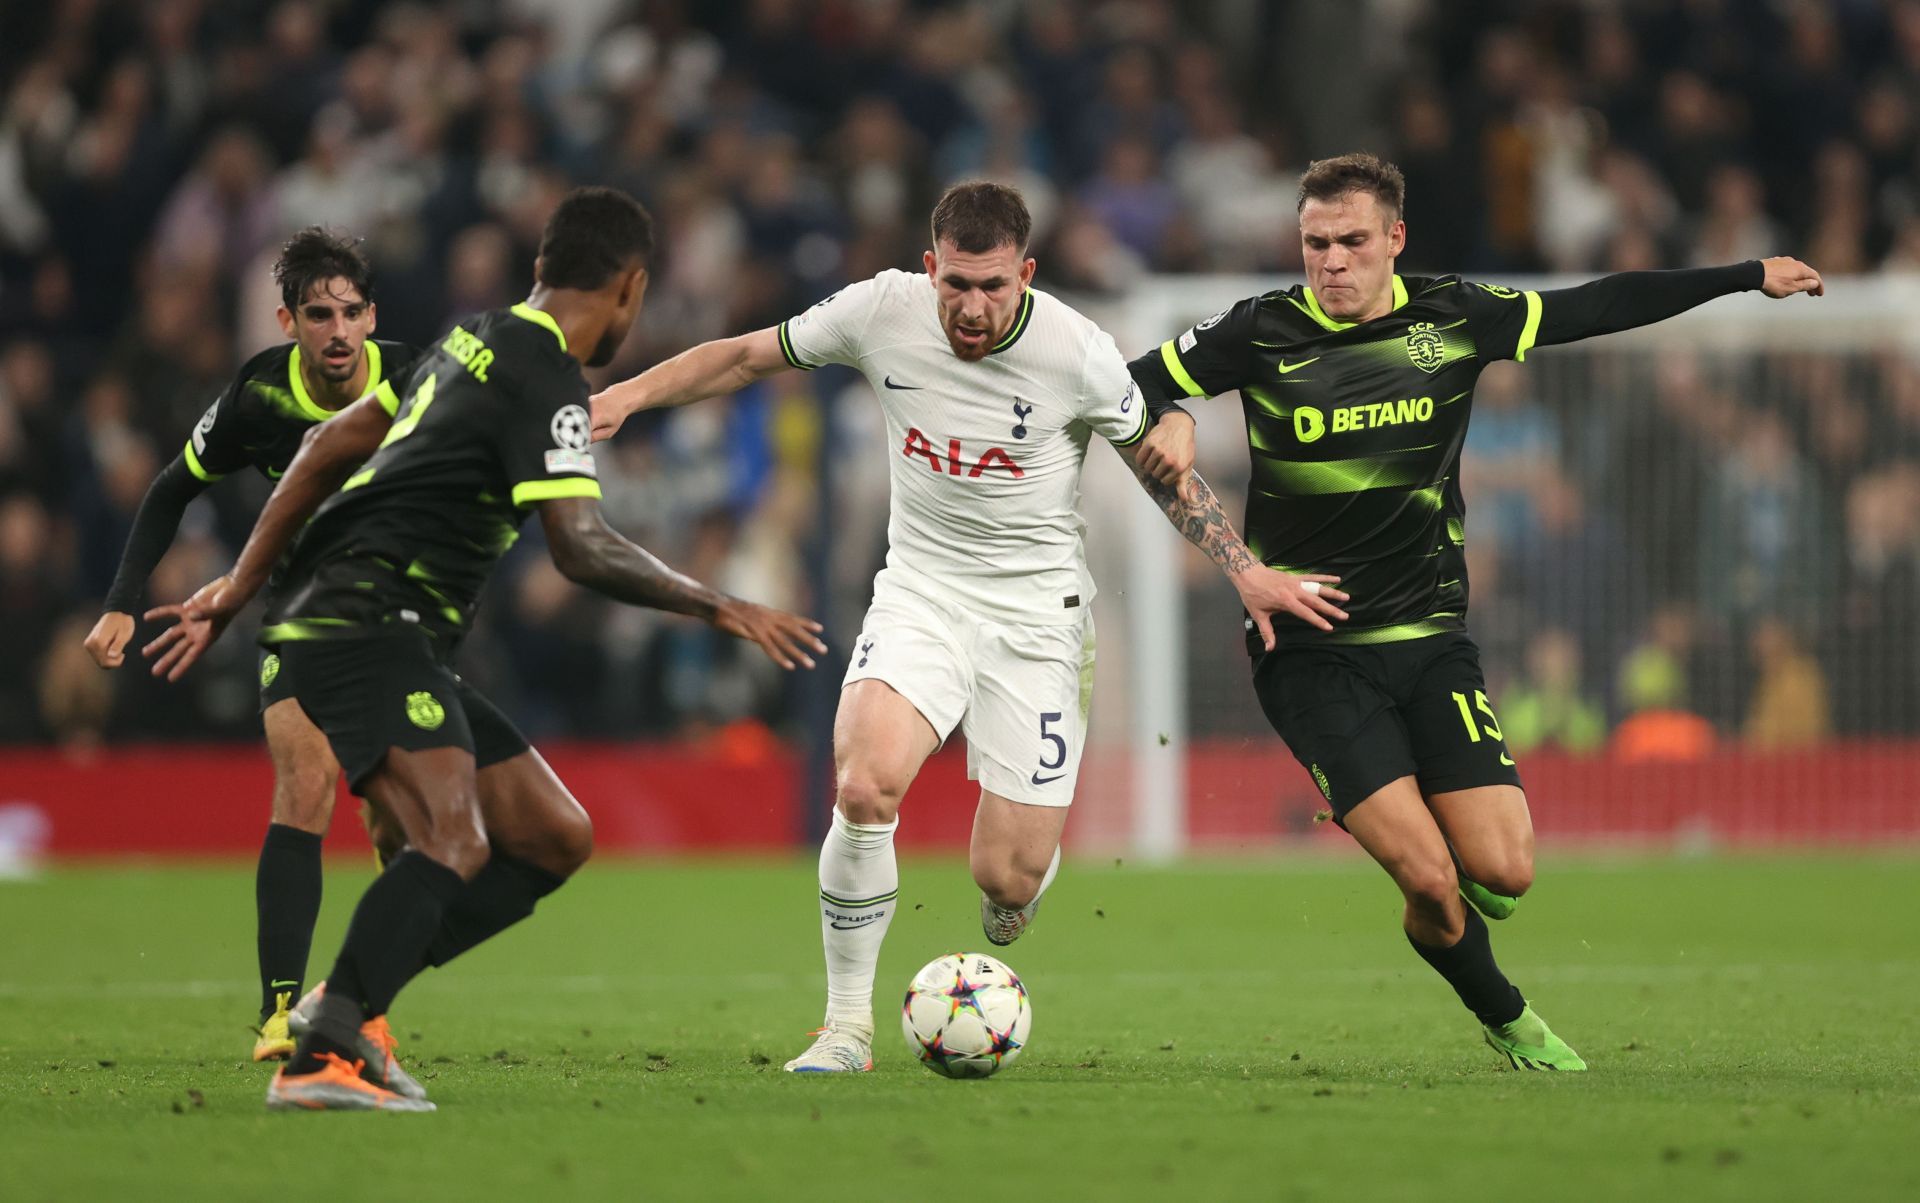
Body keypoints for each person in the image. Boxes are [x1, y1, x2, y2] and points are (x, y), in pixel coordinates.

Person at [591, 181, 1343, 1074]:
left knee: (1007, 878)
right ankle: (844, 1028)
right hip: (922, 593)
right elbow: (749, 356)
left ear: (1025, 273)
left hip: (1038, 621)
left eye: (993, 286)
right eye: (956, 285)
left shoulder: (1078, 352)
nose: (973, 307)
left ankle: (1018, 885)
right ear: (929, 268)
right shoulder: (880, 310)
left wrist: (1243, 568)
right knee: (865, 785)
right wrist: (627, 395)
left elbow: (1162, 469)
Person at [1127, 152, 1823, 1072]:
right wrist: (1173, 424)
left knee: (1505, 870)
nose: (1331, 261)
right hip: (1309, 650)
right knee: (1426, 876)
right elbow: (1120, 389)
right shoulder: (1259, 331)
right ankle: (1506, 1014)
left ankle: (1458, 902)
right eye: (1314, 244)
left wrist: (1742, 275)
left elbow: (1600, 302)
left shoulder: (1455, 315)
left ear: (1395, 241)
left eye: (1352, 242)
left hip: (1430, 640)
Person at [145, 186, 828, 1111]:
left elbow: (326, 446)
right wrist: (718, 605)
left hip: (379, 629)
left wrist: (237, 586)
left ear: (543, 268)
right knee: (452, 838)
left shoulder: (470, 336)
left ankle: (340, 1003)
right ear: (629, 290)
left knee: (554, 836)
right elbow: (580, 547)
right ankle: (326, 1050)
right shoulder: (546, 377)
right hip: (363, 623)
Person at [82, 228, 423, 1062]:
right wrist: (123, 601)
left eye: (351, 313)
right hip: (298, 610)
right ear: (287, 321)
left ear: (372, 316)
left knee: (397, 820)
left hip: (404, 612)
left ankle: (367, 1002)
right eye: (318, 314)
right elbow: (171, 488)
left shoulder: (419, 379)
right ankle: (279, 1014)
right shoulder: (258, 397)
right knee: (302, 781)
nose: (338, 330)